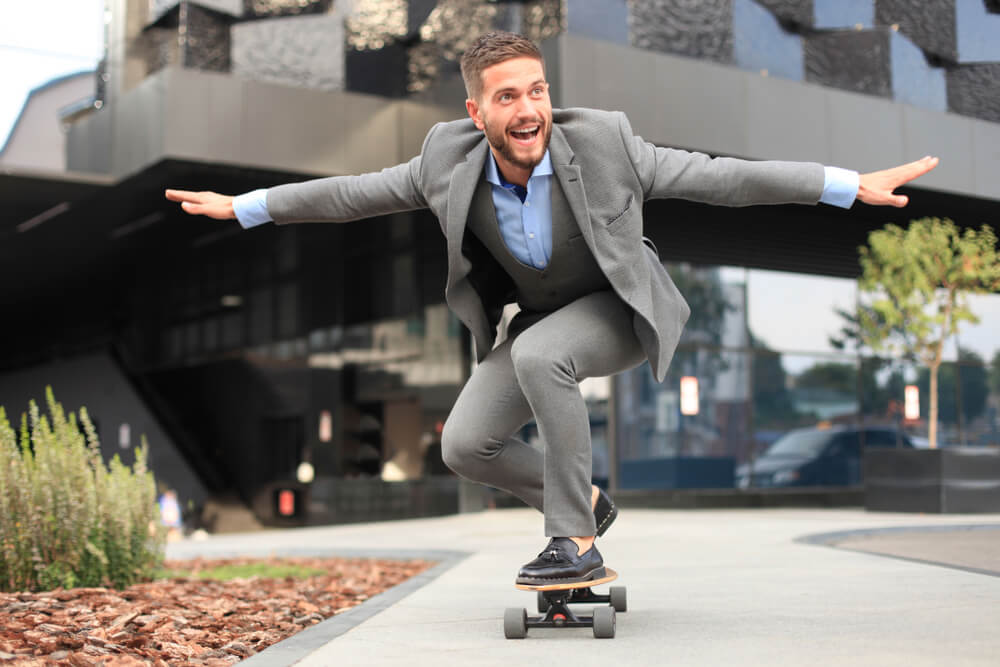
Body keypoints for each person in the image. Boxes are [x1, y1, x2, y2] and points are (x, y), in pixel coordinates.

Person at [166, 31, 938, 586]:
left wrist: (843, 184)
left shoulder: (606, 143)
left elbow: (721, 177)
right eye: (509, 97)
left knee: (542, 357)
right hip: (541, 321)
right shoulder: (444, 161)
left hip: (615, 309)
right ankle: (590, 502)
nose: (529, 108)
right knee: (465, 445)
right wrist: (245, 206)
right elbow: (351, 194)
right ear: (479, 114)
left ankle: (573, 539)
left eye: (538, 91)